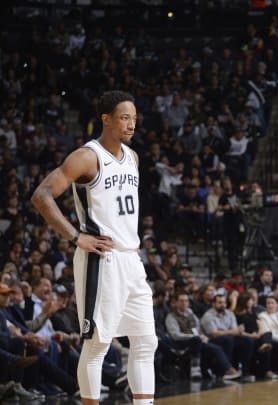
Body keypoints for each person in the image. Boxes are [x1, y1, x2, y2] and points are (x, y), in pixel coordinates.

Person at [31, 91, 157, 405]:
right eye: (124, 118)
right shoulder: (87, 156)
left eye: (134, 118)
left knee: (146, 341)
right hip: (102, 258)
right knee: (98, 343)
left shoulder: (133, 157)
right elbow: (42, 196)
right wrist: (76, 236)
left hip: (131, 257)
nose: (131, 124)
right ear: (106, 119)